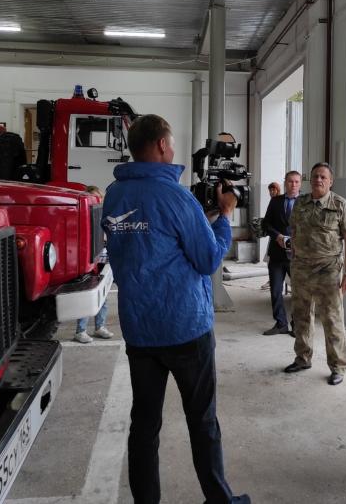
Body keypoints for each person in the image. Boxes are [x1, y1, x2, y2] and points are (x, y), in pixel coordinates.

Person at [101, 114, 250, 504]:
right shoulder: (176, 196)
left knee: (145, 424)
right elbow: (206, 259)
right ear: (163, 146)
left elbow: (153, 245)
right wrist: (226, 216)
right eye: (171, 142)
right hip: (185, 328)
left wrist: (202, 221)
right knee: (202, 421)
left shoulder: (115, 194)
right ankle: (220, 500)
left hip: (139, 327)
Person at [283, 162, 346, 386]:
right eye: (315, 176)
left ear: (331, 181)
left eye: (323, 177)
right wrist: (295, 255)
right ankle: (303, 358)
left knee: (332, 319)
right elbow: (294, 230)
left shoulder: (340, 205)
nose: (318, 180)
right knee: (301, 316)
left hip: (329, 270)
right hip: (301, 269)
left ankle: (337, 367)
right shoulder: (301, 204)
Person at [261, 171, 302, 335]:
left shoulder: (305, 202)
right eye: (290, 181)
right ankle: (280, 323)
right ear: (285, 182)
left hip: (298, 255)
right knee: (276, 290)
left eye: (297, 182)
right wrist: (277, 235)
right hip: (277, 253)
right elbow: (266, 224)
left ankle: (297, 325)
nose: (293, 185)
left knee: (299, 292)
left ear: (300, 184)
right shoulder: (276, 201)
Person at [74, 185, 114, 344]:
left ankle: (100, 327)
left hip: (102, 261)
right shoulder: (84, 217)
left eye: (99, 198)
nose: (97, 201)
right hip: (89, 263)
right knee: (86, 298)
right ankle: (80, 330)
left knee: (103, 297)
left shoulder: (103, 215)